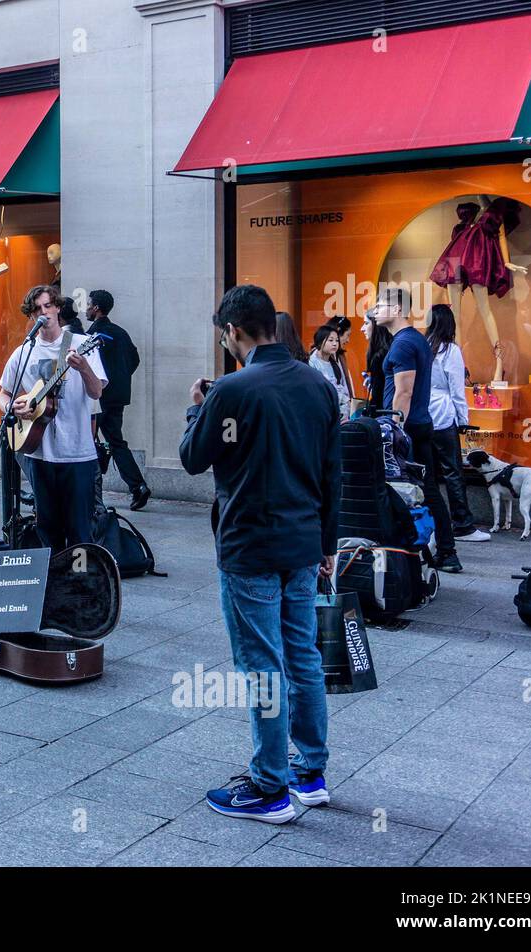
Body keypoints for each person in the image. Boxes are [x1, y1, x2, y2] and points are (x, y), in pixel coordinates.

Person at [180, 284, 339, 824]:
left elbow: (192, 459)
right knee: (303, 656)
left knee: (261, 666)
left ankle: (269, 787)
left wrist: (196, 409)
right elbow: (331, 473)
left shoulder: (232, 389)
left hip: (249, 544)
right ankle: (309, 772)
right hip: (301, 542)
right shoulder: (319, 386)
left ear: (233, 332)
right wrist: (328, 546)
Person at [0, 284, 108, 552]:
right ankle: (53, 583)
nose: (43, 313)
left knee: (81, 529)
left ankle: (81, 584)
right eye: (37, 309)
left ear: (58, 307)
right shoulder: (23, 352)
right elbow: (3, 395)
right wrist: (13, 409)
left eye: (48, 306)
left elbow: (96, 392)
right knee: (47, 527)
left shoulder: (82, 345)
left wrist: (83, 370)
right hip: (39, 454)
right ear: (31, 316)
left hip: (77, 454)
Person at [376, 286, 461, 573]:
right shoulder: (414, 340)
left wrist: (392, 428)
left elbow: (404, 391)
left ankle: (440, 551)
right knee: (427, 488)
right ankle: (441, 551)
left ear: (397, 310)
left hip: (408, 428)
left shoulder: (403, 344)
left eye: (381, 305)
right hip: (419, 426)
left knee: (421, 489)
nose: (376, 310)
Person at [427, 304, 490, 544]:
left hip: (423, 416)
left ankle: (432, 522)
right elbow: (456, 389)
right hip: (444, 416)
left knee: (427, 474)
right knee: (453, 472)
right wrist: (463, 419)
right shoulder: (450, 350)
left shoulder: (423, 347)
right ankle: (462, 523)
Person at [86, 289, 150, 511]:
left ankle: (94, 497)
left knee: (88, 443)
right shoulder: (120, 332)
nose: (86, 308)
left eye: (88, 304)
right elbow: (134, 358)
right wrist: (120, 380)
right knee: (116, 442)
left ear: (96, 308)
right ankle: (138, 486)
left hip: (100, 396)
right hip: (118, 397)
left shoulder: (92, 335)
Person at [308, 324, 350, 422]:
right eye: (330, 340)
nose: (335, 344)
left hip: (340, 415)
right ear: (320, 341)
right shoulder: (311, 363)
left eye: (337, 340)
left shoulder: (335, 363)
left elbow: (341, 388)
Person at [362, 307, 393, 411]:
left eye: (366, 323)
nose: (362, 328)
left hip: (385, 412)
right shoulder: (389, 348)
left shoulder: (380, 356)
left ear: (376, 326)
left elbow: (379, 394)